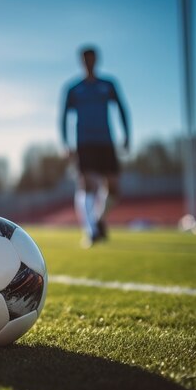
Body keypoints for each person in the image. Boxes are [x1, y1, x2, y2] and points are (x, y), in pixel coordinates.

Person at [60, 45, 130, 247]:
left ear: (96, 60)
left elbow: (122, 108)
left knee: (114, 188)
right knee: (88, 184)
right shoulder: (74, 89)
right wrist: (66, 143)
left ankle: (98, 220)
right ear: (81, 61)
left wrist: (127, 135)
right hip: (84, 142)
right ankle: (90, 231)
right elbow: (64, 117)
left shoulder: (108, 85)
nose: (88, 62)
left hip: (106, 141)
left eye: (91, 59)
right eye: (85, 59)